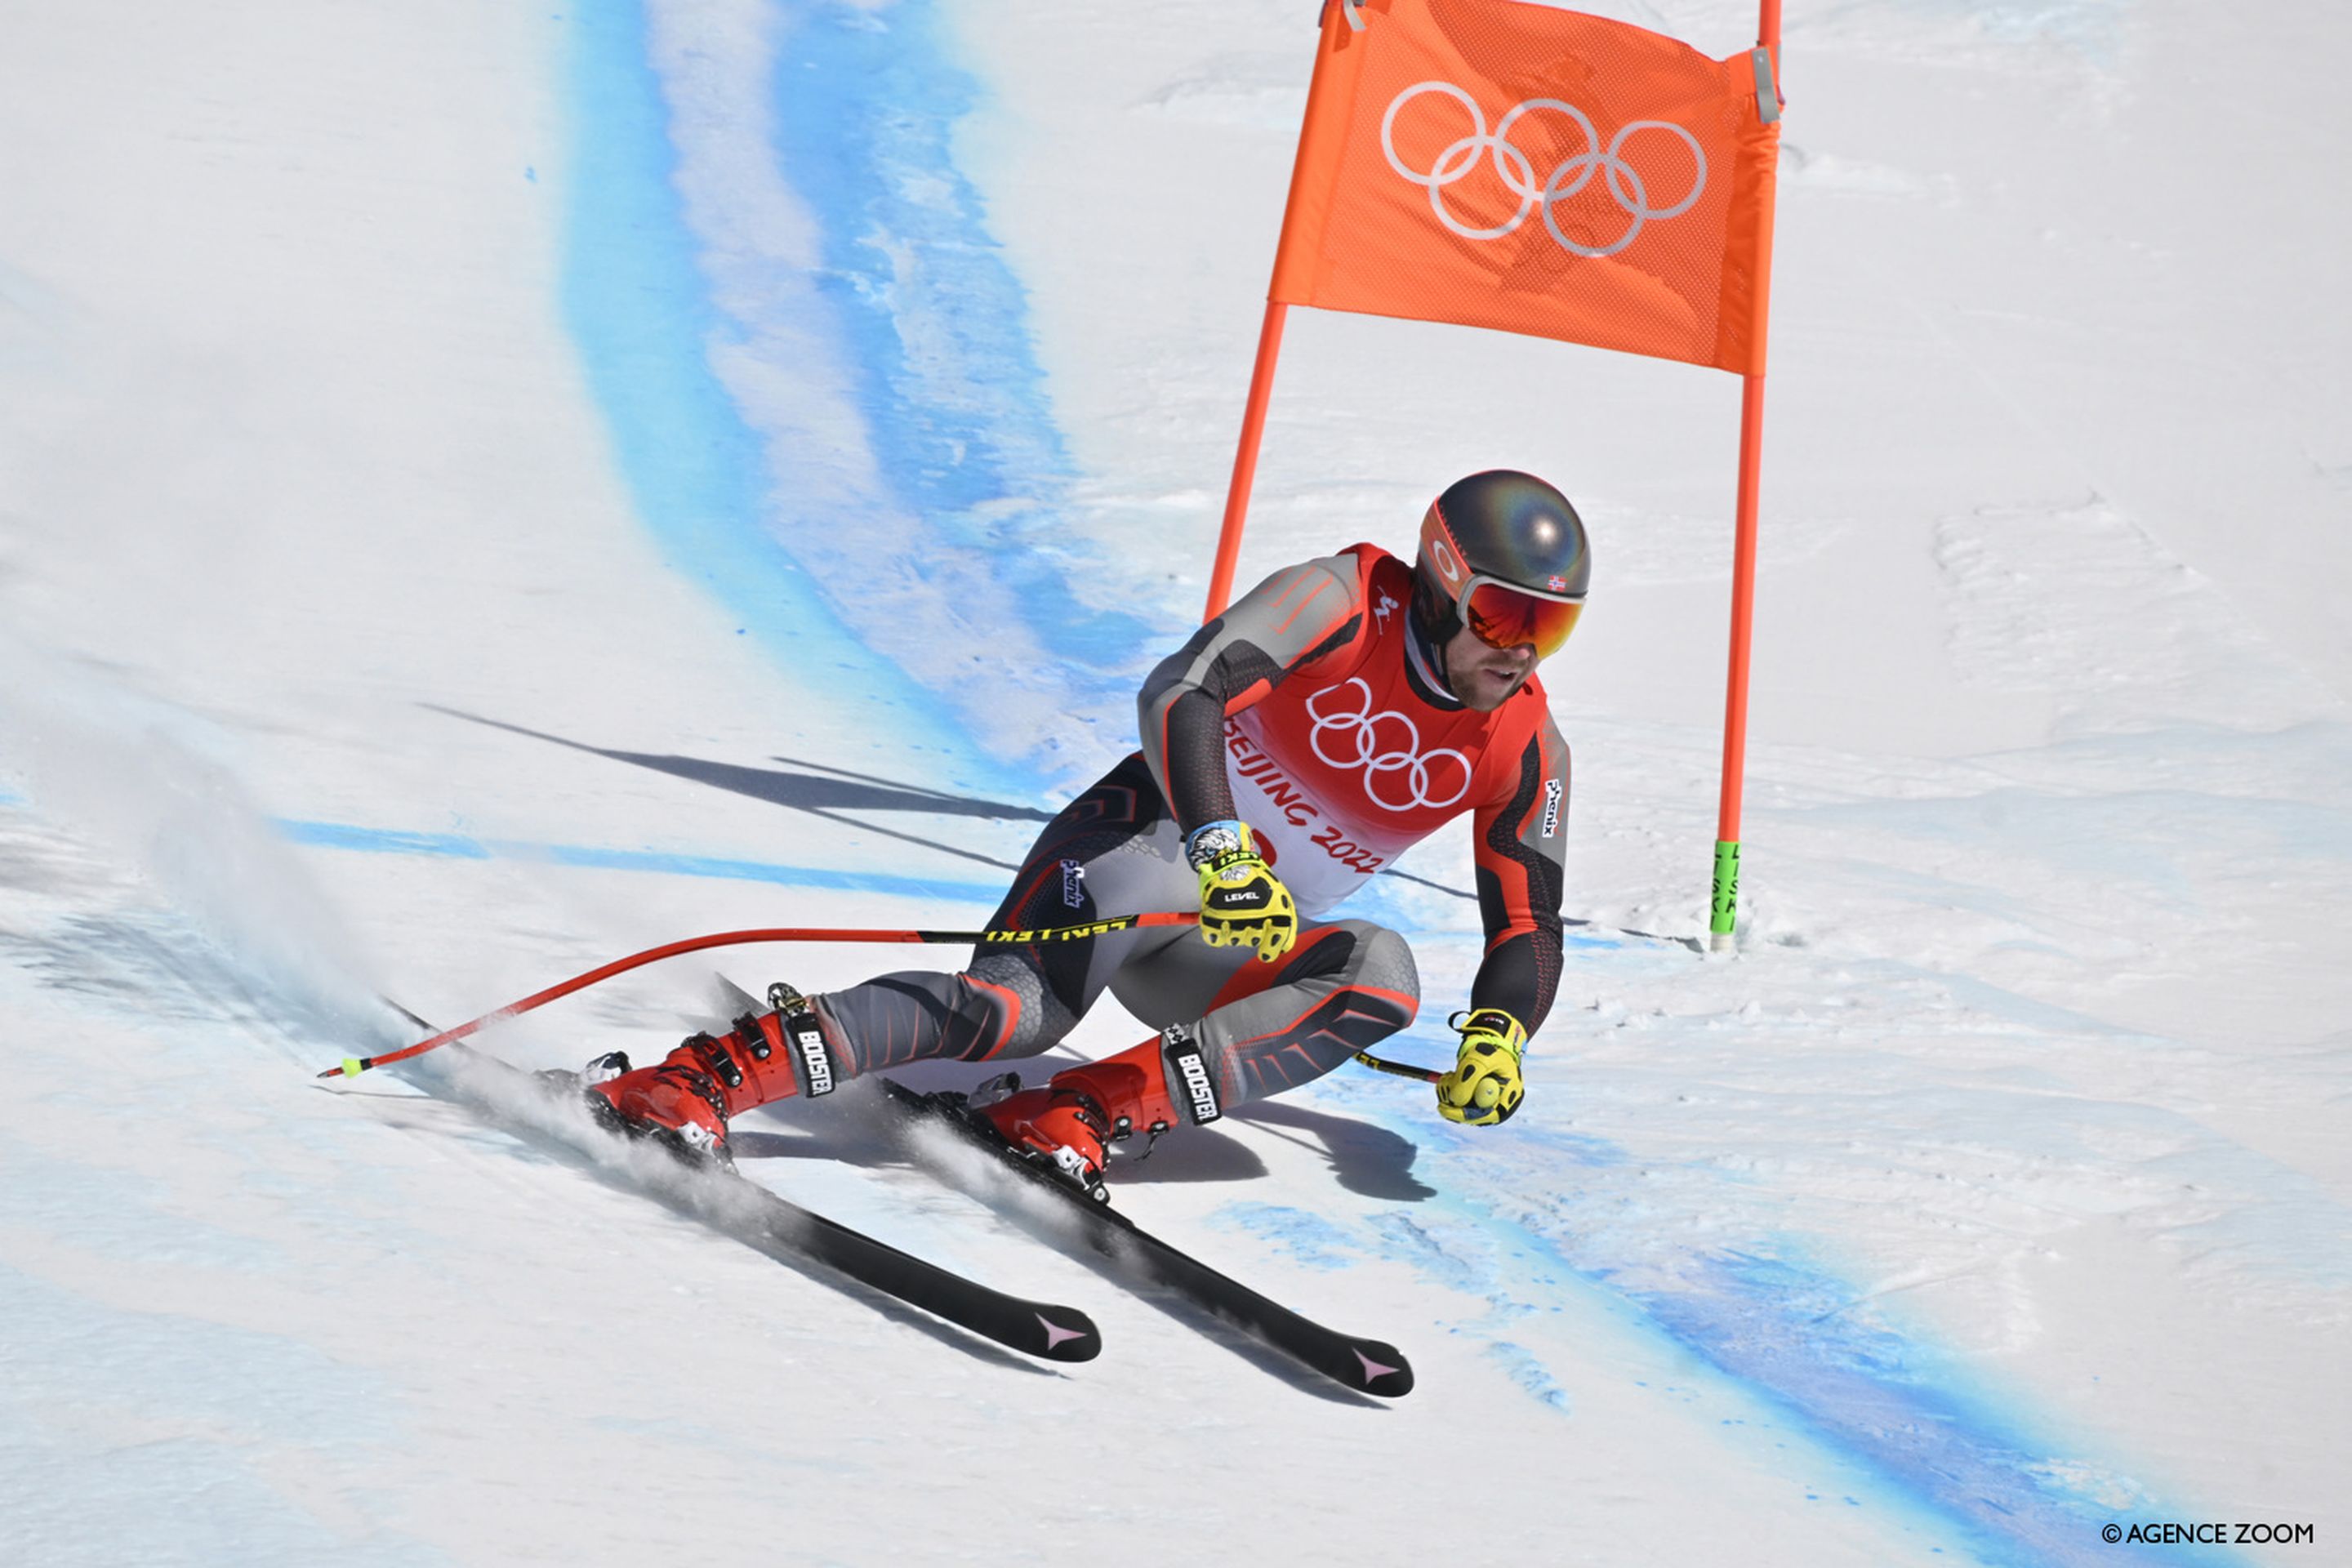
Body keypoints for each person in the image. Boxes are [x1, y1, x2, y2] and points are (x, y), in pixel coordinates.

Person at [589, 469, 1586, 1190]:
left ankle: (1078, 1114)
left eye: (1551, 629)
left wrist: (1502, 1034)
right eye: (1504, 615)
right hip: (1141, 857)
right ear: (1445, 583)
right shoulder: (1340, 602)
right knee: (1010, 1018)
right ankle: (699, 1080)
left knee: (1381, 978)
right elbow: (1182, 691)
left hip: (1226, 943)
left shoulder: (1526, 742)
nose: (1521, 652)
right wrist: (1222, 847)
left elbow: (1529, 927)